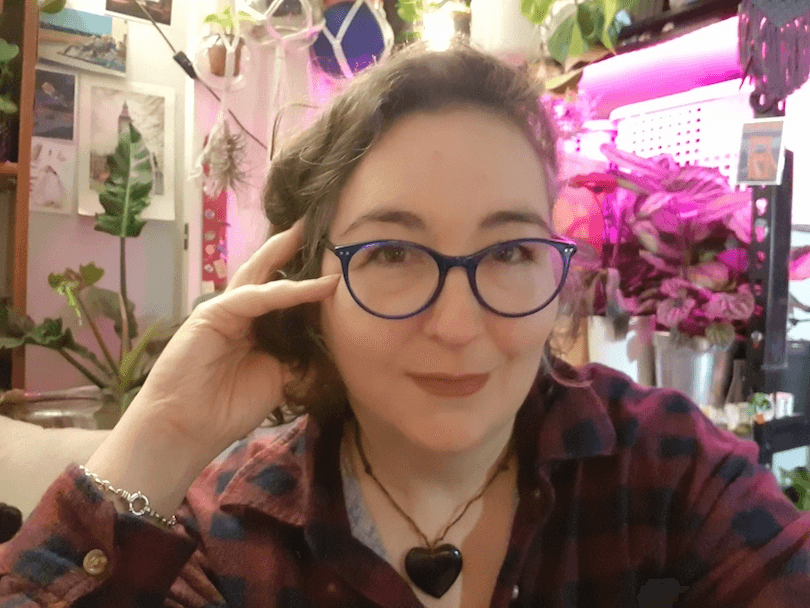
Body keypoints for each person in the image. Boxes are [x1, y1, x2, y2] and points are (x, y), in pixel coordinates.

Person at [1, 42, 809, 608]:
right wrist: (164, 432)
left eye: (509, 252)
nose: (458, 324)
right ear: (308, 281)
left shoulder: (665, 469)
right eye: (392, 252)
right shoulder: (231, 535)